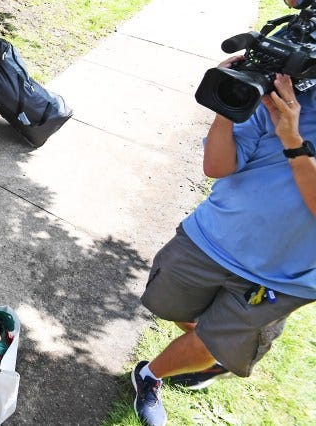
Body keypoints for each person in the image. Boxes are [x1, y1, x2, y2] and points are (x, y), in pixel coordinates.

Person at [131, 60, 316, 426]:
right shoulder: (288, 95)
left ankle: (150, 376)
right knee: (166, 304)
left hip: (282, 276)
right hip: (211, 239)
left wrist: (293, 143)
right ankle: (210, 347)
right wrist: (227, 110)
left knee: (211, 342)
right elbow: (217, 166)